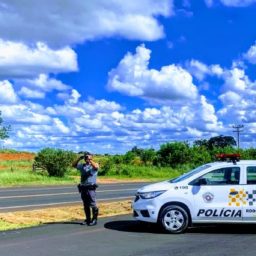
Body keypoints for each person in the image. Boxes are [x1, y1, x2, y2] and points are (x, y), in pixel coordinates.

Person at [72, 152, 99, 226]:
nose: (86, 158)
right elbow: (73, 165)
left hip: (90, 188)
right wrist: (79, 158)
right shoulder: (82, 166)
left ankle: (94, 220)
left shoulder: (94, 165)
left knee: (93, 204)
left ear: (91, 158)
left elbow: (96, 167)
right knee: (85, 205)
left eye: (88, 157)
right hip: (83, 187)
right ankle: (88, 219)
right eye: (86, 157)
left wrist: (90, 160)